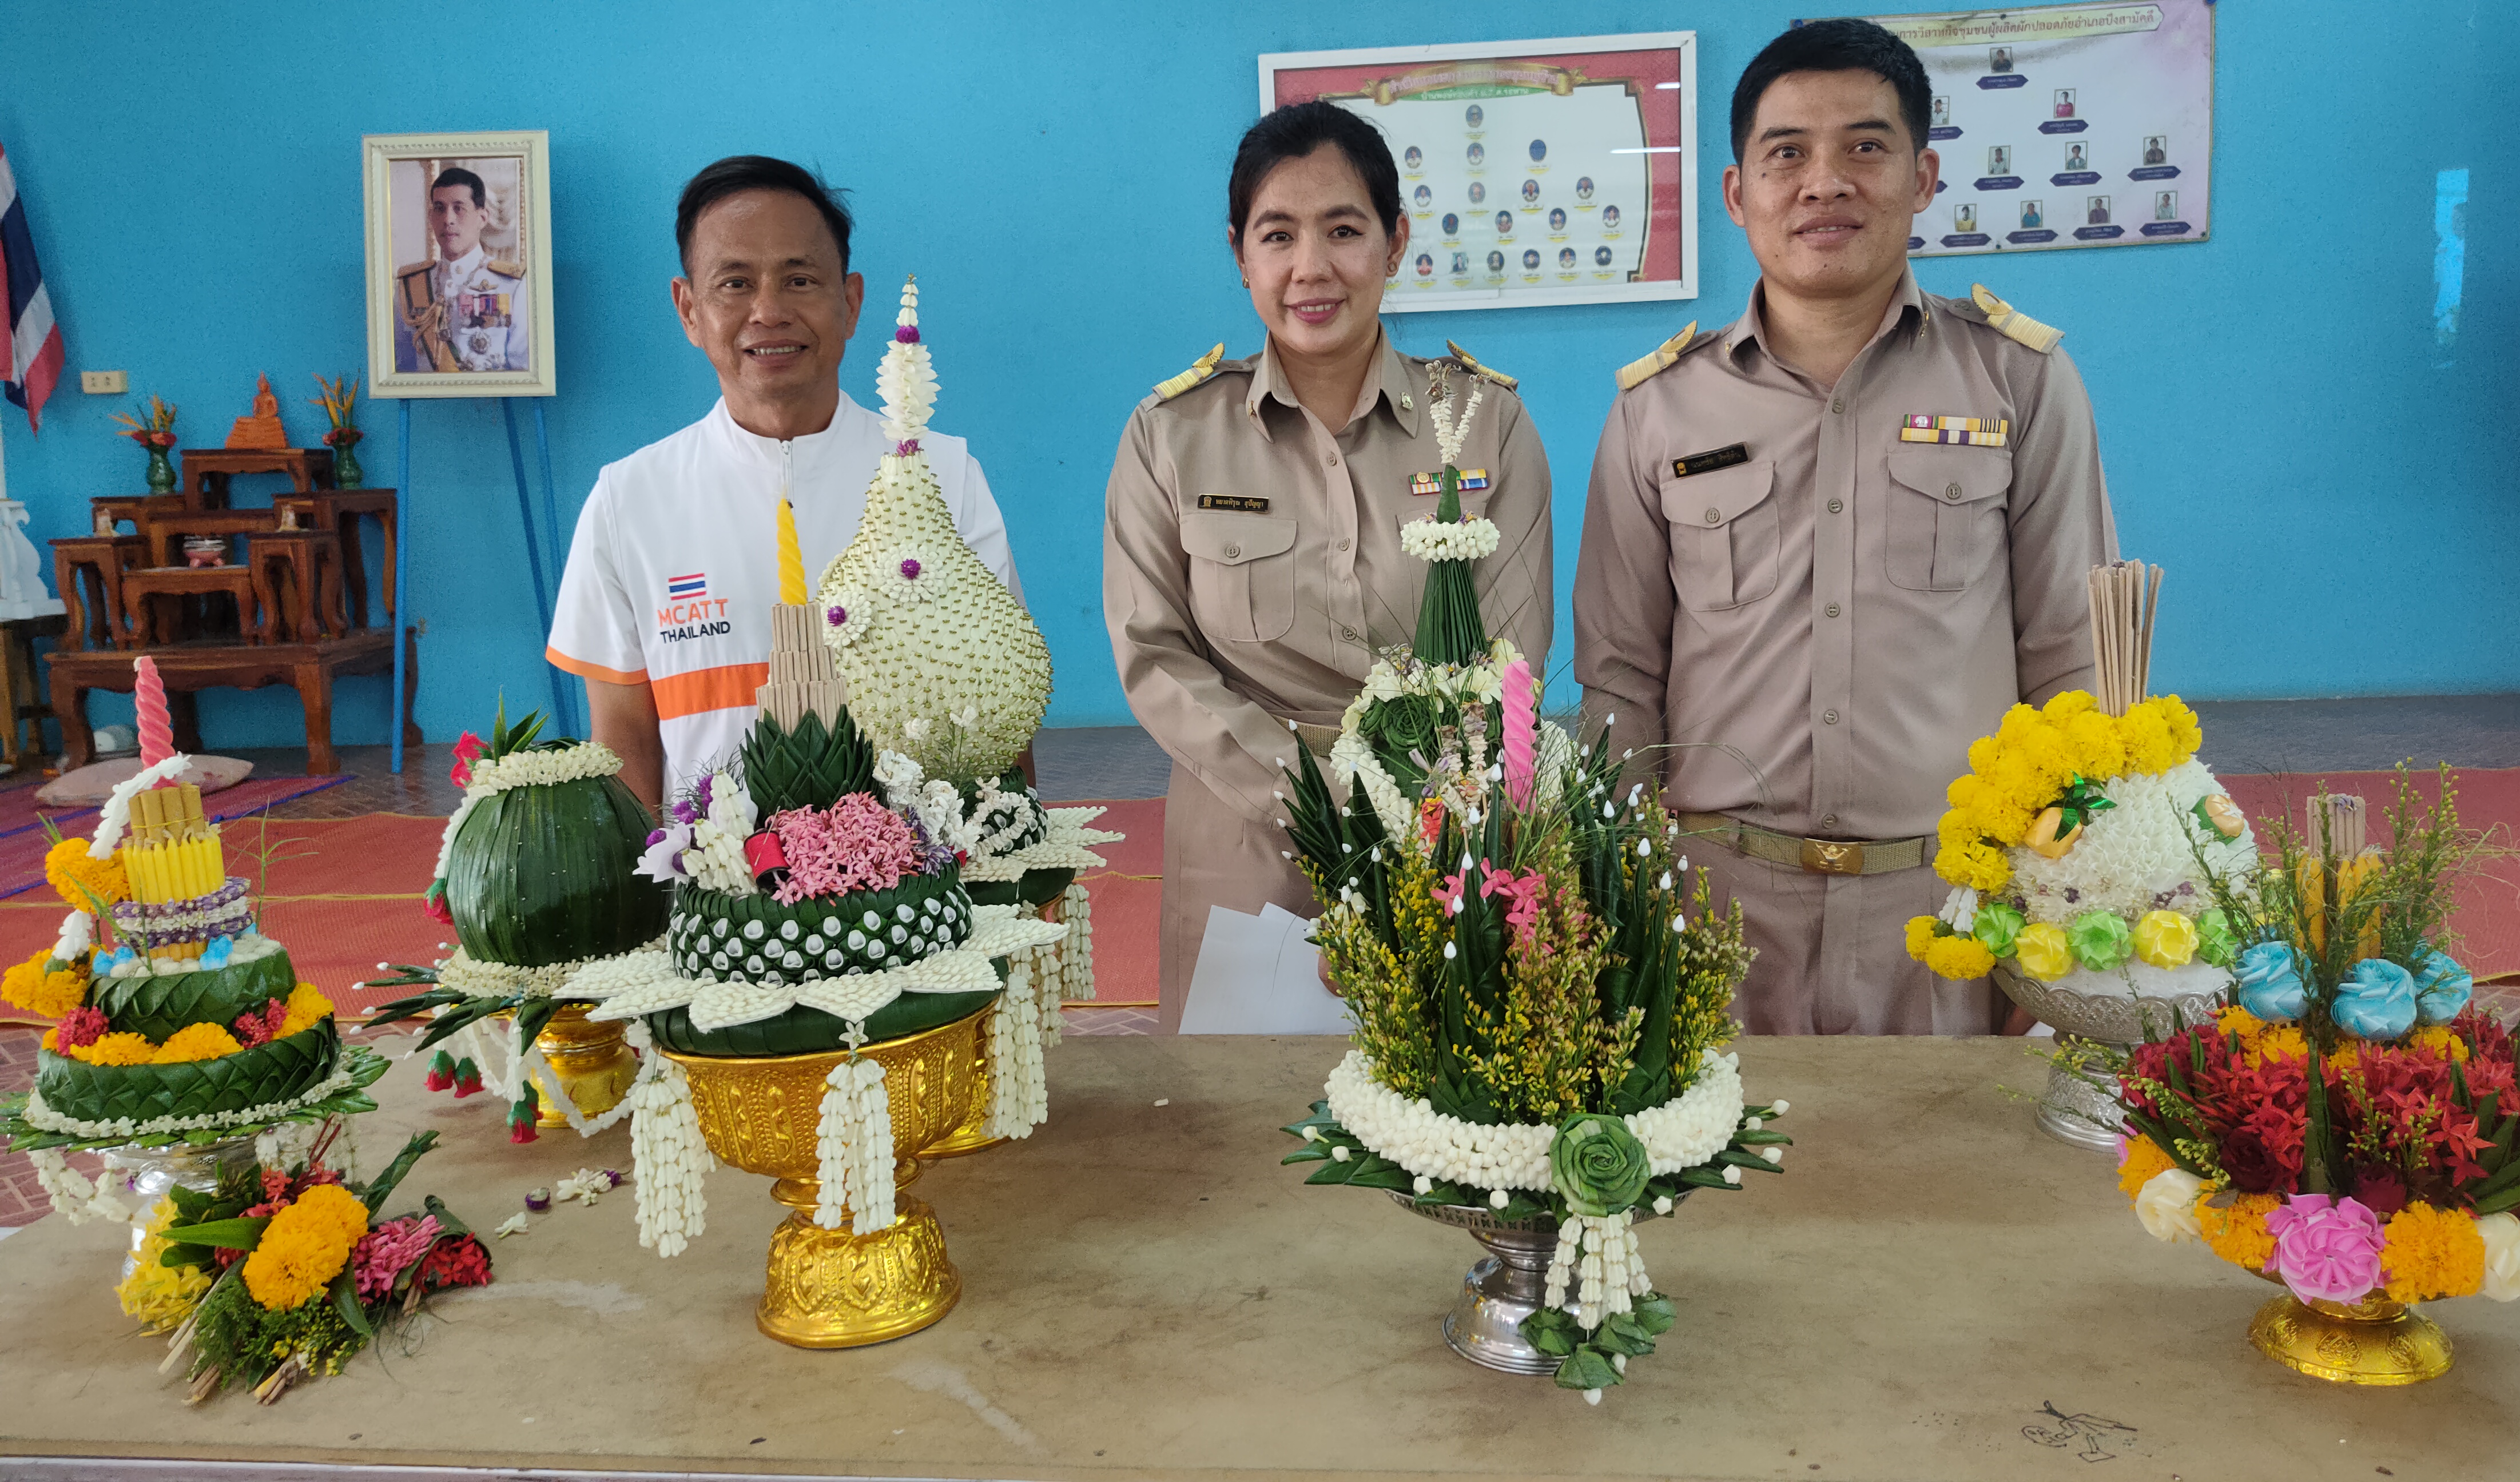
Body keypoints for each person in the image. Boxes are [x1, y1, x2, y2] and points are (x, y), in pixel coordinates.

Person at [1571, 18, 2115, 1037]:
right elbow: (1619, 678)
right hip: (1714, 909)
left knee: (1948, 1149)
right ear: (1737, 194)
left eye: (1865, 147)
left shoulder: (2018, 380)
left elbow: (2072, 662)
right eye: (1786, 154)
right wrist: (1615, 897)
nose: (1824, 183)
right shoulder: (1658, 408)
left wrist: (2061, 904)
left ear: (1923, 177)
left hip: (1951, 912)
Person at [1104, 101, 1553, 1033]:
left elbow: (1509, 659)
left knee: (1441, 1101)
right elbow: (1154, 655)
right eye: (1278, 234)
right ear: (1241, 254)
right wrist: (1325, 802)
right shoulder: (1172, 434)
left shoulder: (1483, 422)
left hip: (1441, 843)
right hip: (1243, 843)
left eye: (1343, 230)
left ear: (1395, 243)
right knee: (1242, 1113)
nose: (1310, 267)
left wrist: (1423, 812)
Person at [547, 156, 1022, 807]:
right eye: (735, 284)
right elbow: (624, 737)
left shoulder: (943, 476)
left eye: (800, 280)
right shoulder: (628, 501)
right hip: (708, 871)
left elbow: (1002, 713)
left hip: (919, 869)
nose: (768, 311)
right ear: (689, 310)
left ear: (850, 303)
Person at [394, 166, 529, 373]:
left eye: (459, 208)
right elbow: (399, 368)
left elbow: (524, 369)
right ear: (431, 217)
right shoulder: (411, 285)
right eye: (440, 208)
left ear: (482, 218)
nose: (448, 219)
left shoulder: (512, 284)